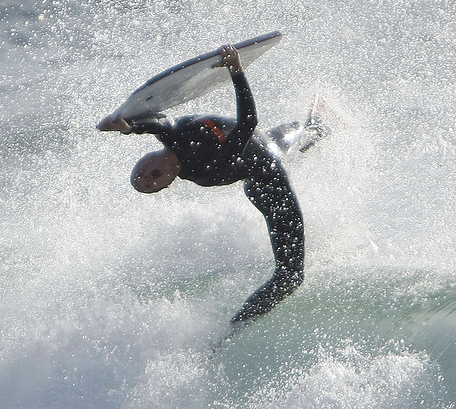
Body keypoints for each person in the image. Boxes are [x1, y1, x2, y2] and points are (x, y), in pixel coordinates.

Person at [98, 44, 318, 325]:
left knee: (280, 140)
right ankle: (237, 326)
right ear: (168, 182)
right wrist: (236, 70)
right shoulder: (205, 168)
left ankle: (313, 129)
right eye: (153, 182)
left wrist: (129, 127)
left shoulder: (172, 136)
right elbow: (248, 122)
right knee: (291, 276)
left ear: (146, 156)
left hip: (263, 145)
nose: (149, 175)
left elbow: (156, 120)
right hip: (267, 182)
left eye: (142, 172)